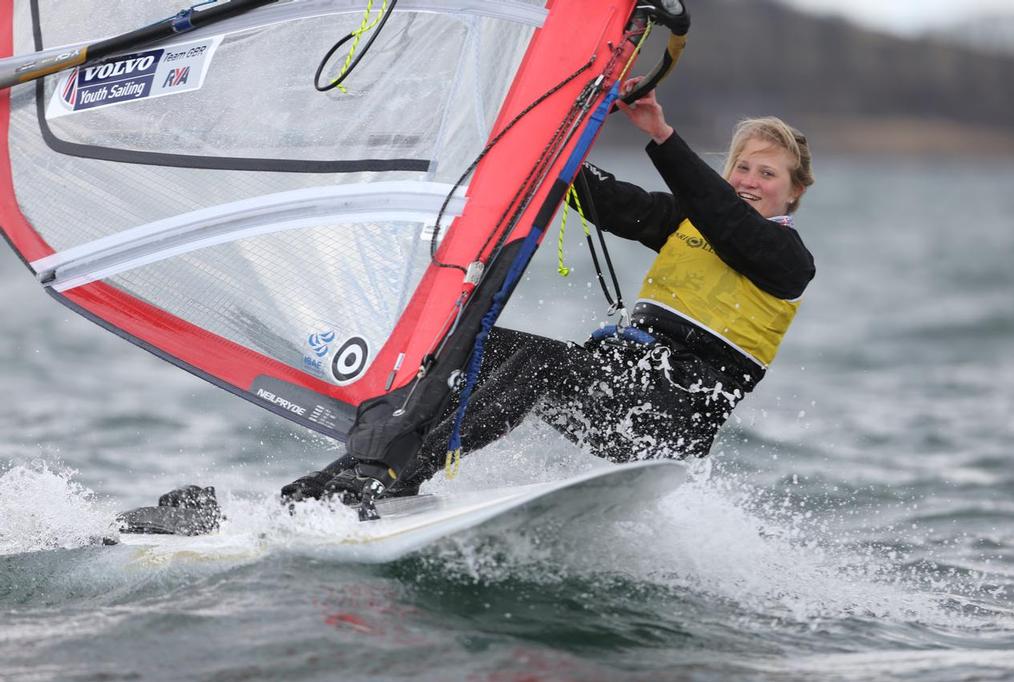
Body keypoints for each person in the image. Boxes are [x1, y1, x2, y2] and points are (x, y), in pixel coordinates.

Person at [280, 74, 816, 504]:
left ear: (793, 194)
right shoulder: (687, 222)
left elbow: (730, 226)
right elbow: (607, 199)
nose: (748, 180)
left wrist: (661, 135)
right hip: (613, 387)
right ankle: (345, 474)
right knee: (474, 349)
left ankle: (399, 479)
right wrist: (549, 137)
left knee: (537, 364)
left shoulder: (789, 262)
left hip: (665, 423)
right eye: (741, 167)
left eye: (767, 174)